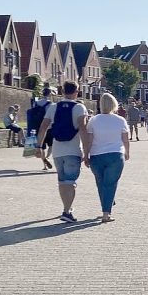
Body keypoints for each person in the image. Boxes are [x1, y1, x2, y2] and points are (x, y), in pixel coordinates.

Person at [37, 81, 89, 223]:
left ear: (62, 91)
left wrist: (38, 146)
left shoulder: (53, 107)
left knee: (62, 181)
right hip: (73, 150)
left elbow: (43, 128)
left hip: (58, 151)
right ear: (76, 91)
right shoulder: (79, 107)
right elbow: (83, 130)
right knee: (71, 182)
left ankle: (66, 208)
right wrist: (87, 151)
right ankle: (67, 211)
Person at [82, 93, 130, 223]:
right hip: (115, 154)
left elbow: (89, 140)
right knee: (110, 183)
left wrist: (85, 155)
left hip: (97, 155)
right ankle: (106, 213)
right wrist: (127, 152)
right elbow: (125, 139)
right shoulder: (120, 120)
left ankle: (107, 205)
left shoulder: (93, 120)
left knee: (101, 182)